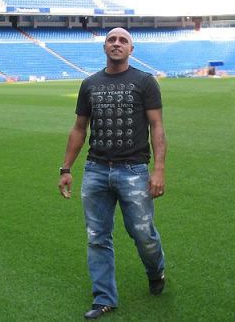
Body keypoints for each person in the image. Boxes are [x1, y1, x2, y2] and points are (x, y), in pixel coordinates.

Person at [58, 27, 167, 320]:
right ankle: (104, 298)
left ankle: (156, 270)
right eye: (111, 39)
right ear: (104, 46)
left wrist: (158, 169)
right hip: (95, 170)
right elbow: (79, 128)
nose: (116, 43)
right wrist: (66, 168)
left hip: (134, 170)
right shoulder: (89, 84)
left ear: (131, 49)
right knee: (97, 237)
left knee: (143, 233)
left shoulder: (144, 82)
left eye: (123, 40)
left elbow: (157, 126)